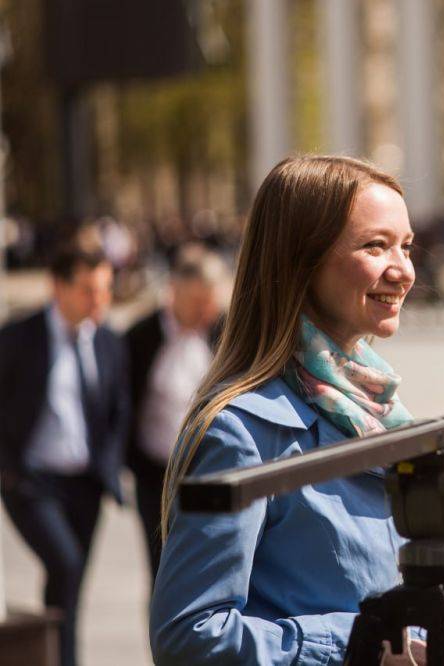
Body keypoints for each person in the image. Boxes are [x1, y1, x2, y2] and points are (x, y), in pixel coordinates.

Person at [149, 156, 426, 665]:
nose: (403, 270)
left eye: (406, 246)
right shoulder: (240, 431)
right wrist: (359, 645)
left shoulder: (377, 407)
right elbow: (188, 635)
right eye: (375, 245)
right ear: (303, 260)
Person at [0, 241, 129, 666]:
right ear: (58, 286)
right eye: (89, 290)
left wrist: (107, 468)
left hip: (85, 486)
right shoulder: (18, 339)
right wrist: (10, 473)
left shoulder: (109, 342)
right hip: (33, 484)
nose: (100, 300)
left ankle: (59, 657)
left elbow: (117, 412)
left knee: (70, 584)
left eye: (106, 289)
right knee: (66, 564)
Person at [125, 243, 226, 581]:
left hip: (211, 471)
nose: (206, 310)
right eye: (198, 301)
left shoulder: (222, 332)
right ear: (173, 292)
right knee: (162, 572)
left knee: (210, 571)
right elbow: (122, 404)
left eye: (210, 300)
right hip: (156, 474)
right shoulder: (141, 337)